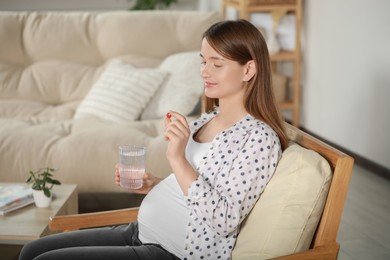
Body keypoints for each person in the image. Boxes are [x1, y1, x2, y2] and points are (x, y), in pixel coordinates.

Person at [19, 19, 288, 260]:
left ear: (249, 69)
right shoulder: (208, 118)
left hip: (170, 251)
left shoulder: (258, 139)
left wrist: (177, 157)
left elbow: (225, 219)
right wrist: (155, 184)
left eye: (217, 64)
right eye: (203, 61)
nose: (205, 72)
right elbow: (196, 185)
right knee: (30, 251)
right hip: (139, 231)